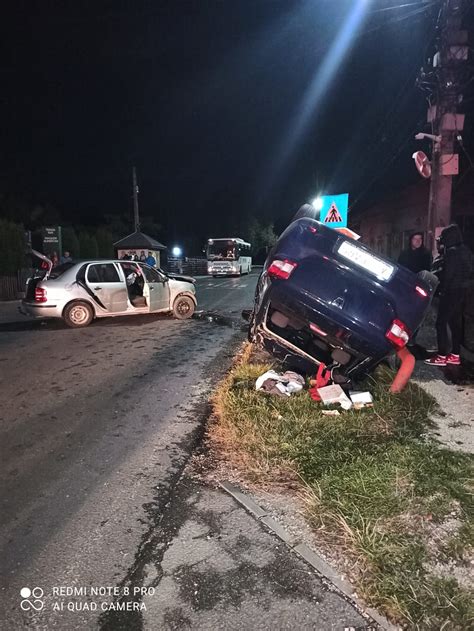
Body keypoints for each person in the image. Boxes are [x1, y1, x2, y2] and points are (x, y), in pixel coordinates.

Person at [425, 224, 473, 366]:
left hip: (451, 291)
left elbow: (448, 275)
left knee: (441, 322)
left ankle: (441, 355)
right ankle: (455, 354)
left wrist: (442, 290)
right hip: (462, 291)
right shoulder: (466, 251)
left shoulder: (452, 253)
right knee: (455, 322)